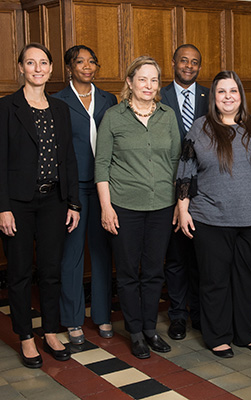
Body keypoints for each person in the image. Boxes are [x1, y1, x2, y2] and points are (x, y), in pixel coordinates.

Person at [176, 70, 251, 359]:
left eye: (233, 91)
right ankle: (218, 335)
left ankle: (244, 332)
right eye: (221, 91)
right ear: (214, 97)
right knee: (215, 278)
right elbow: (185, 171)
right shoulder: (200, 128)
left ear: (241, 96)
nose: (228, 97)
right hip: (211, 217)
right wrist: (183, 210)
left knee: (246, 277)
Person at [0, 43, 80, 368]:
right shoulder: (5, 107)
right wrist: (2, 208)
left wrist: (74, 202)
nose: (38, 68)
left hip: (54, 201)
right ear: (21, 68)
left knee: (52, 271)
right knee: (20, 273)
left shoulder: (59, 109)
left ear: (52, 69)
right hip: (18, 204)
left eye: (43, 63)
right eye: (31, 62)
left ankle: (51, 331)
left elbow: (68, 159)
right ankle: (26, 336)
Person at [95, 56, 181, 359]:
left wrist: (179, 205)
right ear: (130, 82)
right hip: (124, 206)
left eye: (154, 80)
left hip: (161, 207)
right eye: (142, 79)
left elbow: (175, 163)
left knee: (155, 272)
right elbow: (102, 165)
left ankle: (150, 329)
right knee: (129, 273)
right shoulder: (113, 117)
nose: (149, 85)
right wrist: (106, 208)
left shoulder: (168, 115)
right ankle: (135, 333)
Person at [52, 45, 117, 345]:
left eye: (92, 61)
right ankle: (72, 318)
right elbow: (57, 152)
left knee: (103, 251)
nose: (87, 66)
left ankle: (102, 314)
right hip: (74, 187)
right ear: (69, 67)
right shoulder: (58, 101)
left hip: (104, 185)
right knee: (72, 254)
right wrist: (67, 194)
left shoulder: (109, 99)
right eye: (80, 62)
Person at [160, 44, 209, 340]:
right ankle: (178, 315)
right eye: (183, 61)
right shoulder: (159, 94)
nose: (188, 66)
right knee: (176, 257)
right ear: (174, 62)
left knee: (202, 257)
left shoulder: (211, 95)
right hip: (170, 189)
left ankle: (201, 313)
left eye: (194, 62)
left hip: (206, 190)